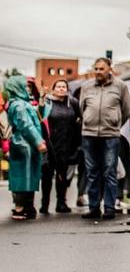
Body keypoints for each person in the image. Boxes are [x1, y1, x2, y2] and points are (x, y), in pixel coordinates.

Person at [79, 58, 130, 220]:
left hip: (110, 135)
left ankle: (109, 207)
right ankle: (94, 208)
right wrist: (88, 120)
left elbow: (126, 110)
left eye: (101, 69)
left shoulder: (120, 86)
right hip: (89, 134)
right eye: (96, 69)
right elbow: (82, 108)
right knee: (92, 172)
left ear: (109, 69)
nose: (98, 72)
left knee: (109, 171)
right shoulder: (86, 86)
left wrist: (115, 123)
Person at [4, 75, 46, 219]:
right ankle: (20, 208)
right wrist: (38, 141)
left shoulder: (18, 103)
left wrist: (42, 101)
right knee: (24, 177)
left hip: (23, 143)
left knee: (26, 175)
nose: (27, 88)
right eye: (25, 85)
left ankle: (26, 207)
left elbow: (38, 117)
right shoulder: (20, 105)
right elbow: (26, 125)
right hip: (25, 144)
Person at [38, 78, 81, 214]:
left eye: (64, 87)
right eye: (58, 87)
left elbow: (80, 118)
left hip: (67, 144)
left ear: (67, 89)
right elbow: (39, 117)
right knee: (47, 175)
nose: (61, 89)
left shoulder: (73, 102)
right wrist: (41, 100)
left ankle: (61, 203)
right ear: (53, 89)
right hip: (50, 143)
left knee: (62, 175)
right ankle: (45, 204)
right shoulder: (47, 102)